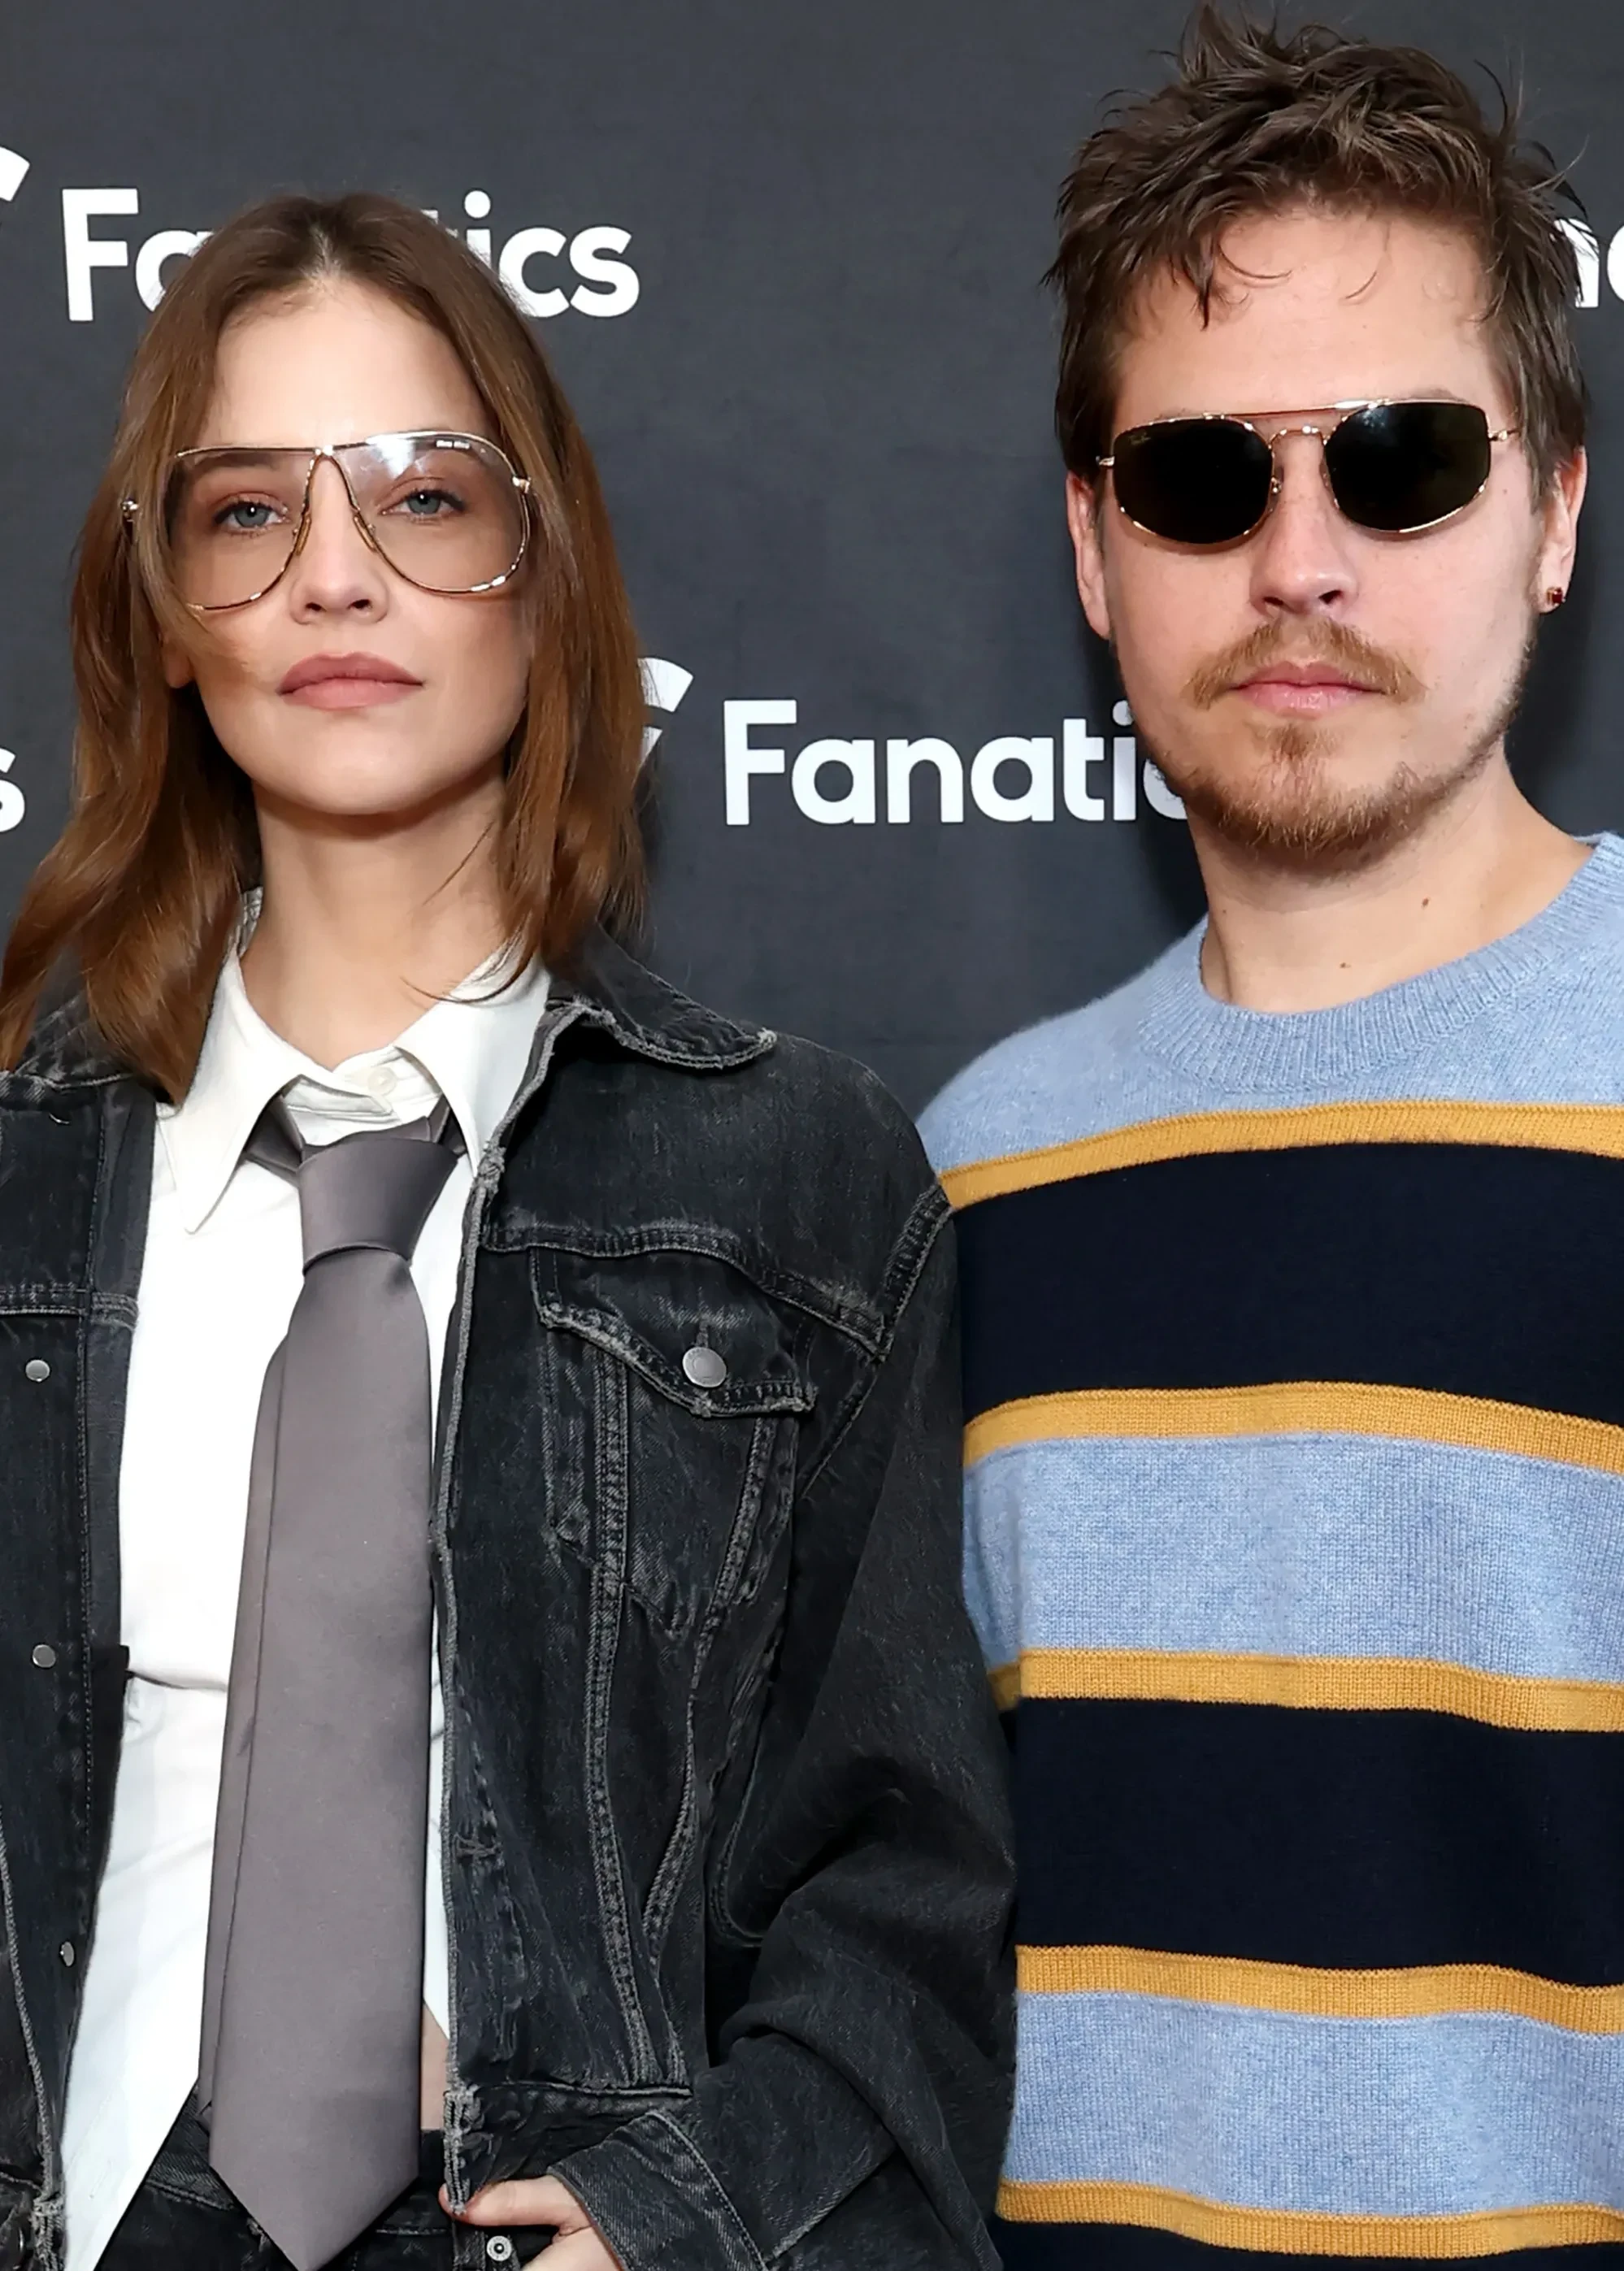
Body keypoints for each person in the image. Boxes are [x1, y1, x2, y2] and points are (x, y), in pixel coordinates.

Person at [0, 191, 1013, 2271]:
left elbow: (902, 1887)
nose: (337, 572)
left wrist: (680, 2219)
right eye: (247, 511)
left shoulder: (794, 1178)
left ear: (545, 588)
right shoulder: (19, 1171)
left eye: (426, 494)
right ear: (166, 613)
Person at [921, 8, 1624, 2269]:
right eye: (1203, 480)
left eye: (1402, 461)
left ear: (1553, 512)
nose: (1299, 560)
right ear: (1092, 547)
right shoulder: (973, 1177)